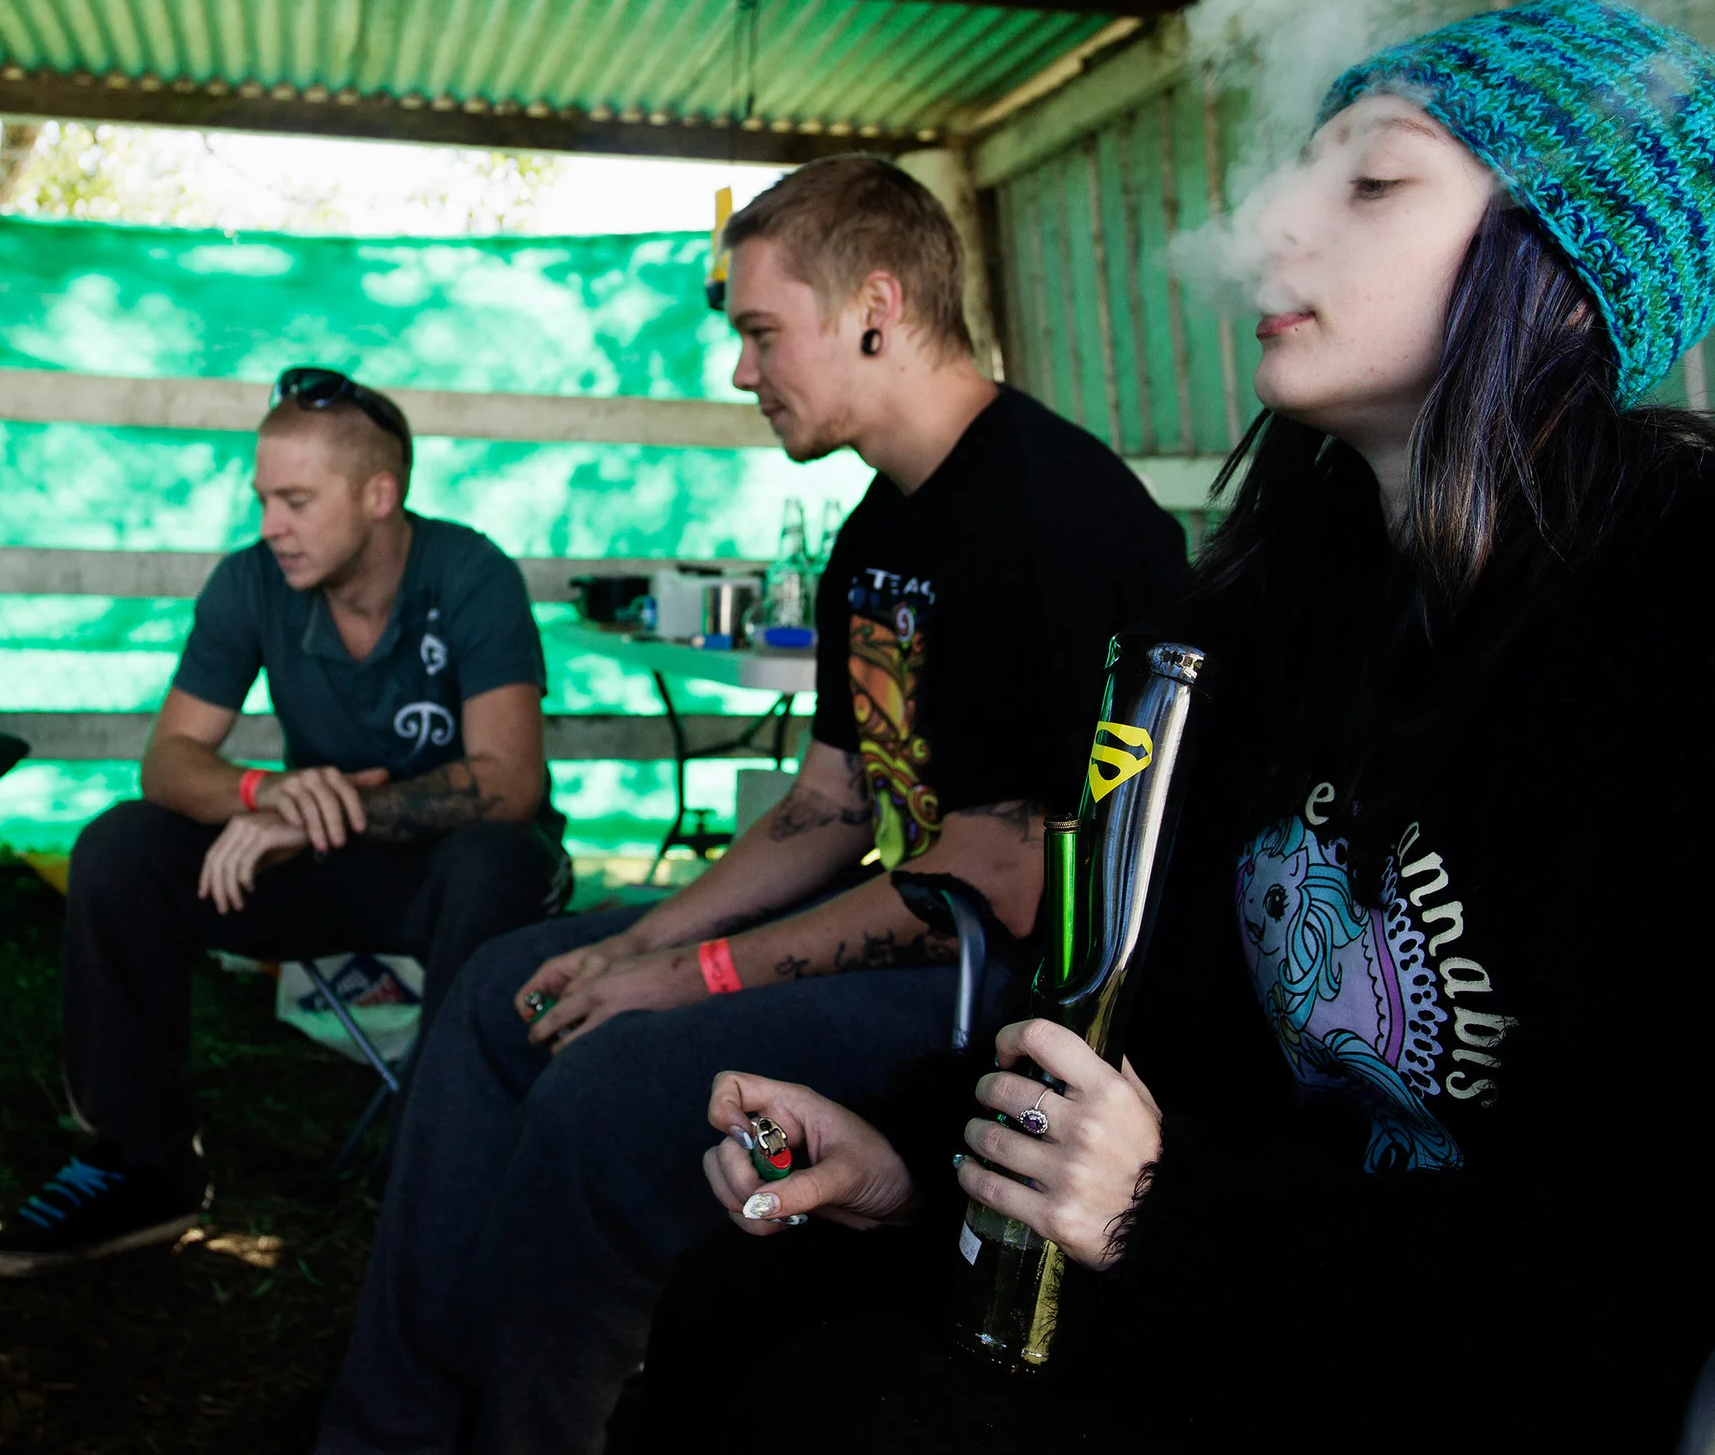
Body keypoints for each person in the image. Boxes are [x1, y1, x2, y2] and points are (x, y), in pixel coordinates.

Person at [642, 0, 1715, 1452]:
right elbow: (1149, 1020)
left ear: (1566, 256)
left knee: (836, 1409)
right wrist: (912, 1155)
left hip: (1500, 1385)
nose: (1282, 222)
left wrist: (1165, 1212)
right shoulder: (1275, 615)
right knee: (741, 1298)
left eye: (1376, 179)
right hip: (1239, 1309)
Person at [317, 157, 1188, 1453]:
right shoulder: (873, 535)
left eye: (760, 330)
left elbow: (1003, 879)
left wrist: (694, 977)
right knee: (519, 985)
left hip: (1001, 992)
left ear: (875, 307)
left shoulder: (1052, 511)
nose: (741, 371)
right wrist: (641, 939)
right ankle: (389, 1427)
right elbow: (830, 803)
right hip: (897, 925)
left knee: (604, 1088)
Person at [0, 367, 573, 1277]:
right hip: (319, 866)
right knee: (121, 845)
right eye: (262, 498)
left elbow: (511, 779)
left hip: (449, 879)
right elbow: (168, 757)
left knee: (498, 859)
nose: (269, 525)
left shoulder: (470, 571)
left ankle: (437, 1178)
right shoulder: (252, 582)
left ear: (380, 495)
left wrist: (341, 809)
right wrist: (265, 796)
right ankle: (139, 1164)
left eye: (295, 500)